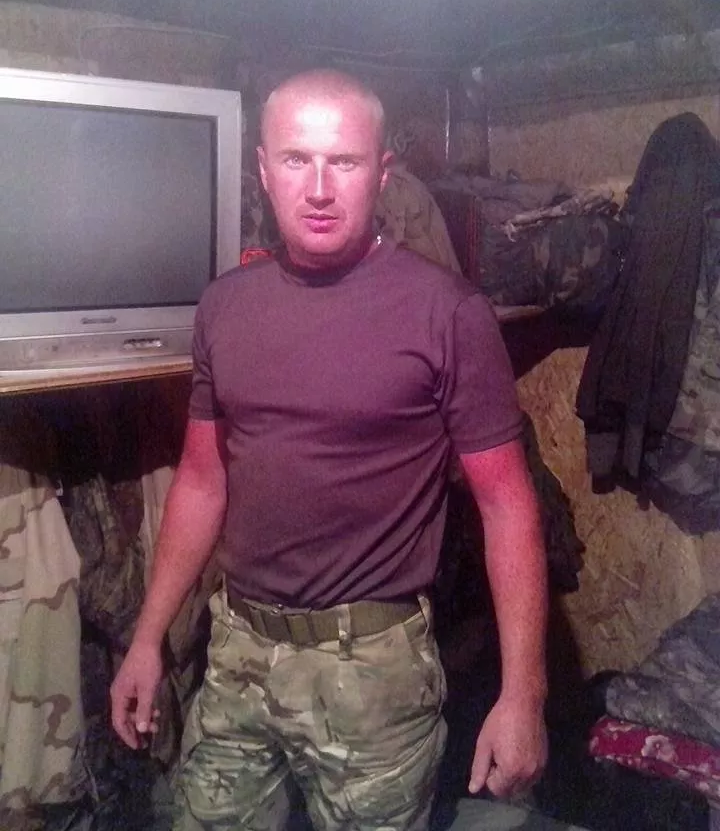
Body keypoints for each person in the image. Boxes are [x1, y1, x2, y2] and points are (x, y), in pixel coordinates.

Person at [110, 69, 549, 831]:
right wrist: (148, 638)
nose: (317, 188)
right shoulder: (225, 307)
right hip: (238, 655)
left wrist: (524, 695)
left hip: (374, 674)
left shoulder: (447, 313)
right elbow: (203, 482)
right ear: (263, 168)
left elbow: (508, 505)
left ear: (381, 172)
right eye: (296, 159)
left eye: (343, 161)